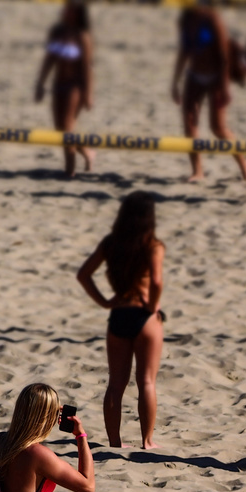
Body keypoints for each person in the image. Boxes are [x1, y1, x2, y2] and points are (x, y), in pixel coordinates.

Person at [76, 192, 166, 449]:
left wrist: (104, 302)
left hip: (119, 313)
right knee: (146, 381)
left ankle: (115, 441)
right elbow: (157, 281)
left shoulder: (111, 243)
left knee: (116, 383)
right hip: (144, 316)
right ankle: (147, 441)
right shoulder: (152, 245)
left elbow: (84, 274)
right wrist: (152, 306)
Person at [173, 0, 246, 184]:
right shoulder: (186, 19)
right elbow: (184, 52)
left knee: (218, 128)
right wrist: (175, 81)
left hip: (216, 76)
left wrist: (224, 86)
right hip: (194, 76)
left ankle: (245, 167)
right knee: (189, 125)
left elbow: (225, 56)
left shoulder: (213, 19)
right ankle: (198, 171)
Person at [35, 0, 95, 178]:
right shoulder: (57, 32)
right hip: (58, 84)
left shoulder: (82, 36)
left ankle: (70, 169)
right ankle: (87, 152)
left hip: (74, 86)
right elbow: (49, 60)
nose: (64, 11)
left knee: (68, 127)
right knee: (60, 129)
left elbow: (87, 68)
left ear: (76, 13)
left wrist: (88, 94)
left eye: (69, 9)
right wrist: (41, 83)